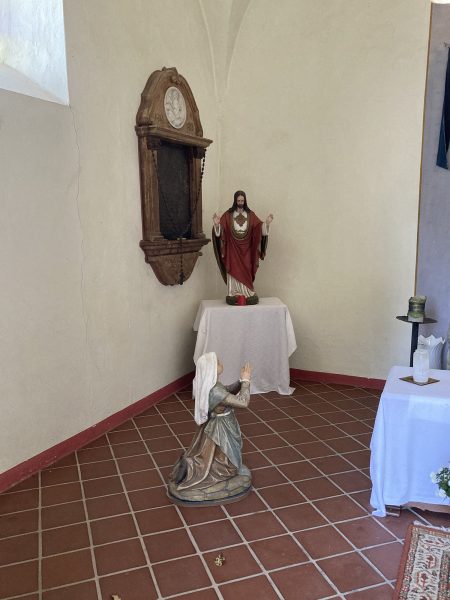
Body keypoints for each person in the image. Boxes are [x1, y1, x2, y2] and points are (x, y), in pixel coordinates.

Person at [168, 352, 252, 505]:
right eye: (217, 362)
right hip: (220, 428)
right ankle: (199, 469)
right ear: (211, 368)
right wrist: (246, 381)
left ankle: (197, 466)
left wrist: (240, 381)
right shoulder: (215, 391)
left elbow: (227, 391)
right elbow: (243, 402)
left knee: (218, 453)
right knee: (226, 458)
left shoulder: (213, 385)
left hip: (220, 424)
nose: (220, 363)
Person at [212, 190, 273, 304]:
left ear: (245, 201)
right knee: (233, 269)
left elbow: (259, 228)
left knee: (247, 269)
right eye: (238, 200)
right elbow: (220, 231)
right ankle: (233, 293)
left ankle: (247, 293)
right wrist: (216, 225)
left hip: (247, 249)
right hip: (232, 249)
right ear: (235, 201)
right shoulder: (228, 215)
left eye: (242, 200)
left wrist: (267, 223)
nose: (240, 202)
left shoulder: (251, 215)